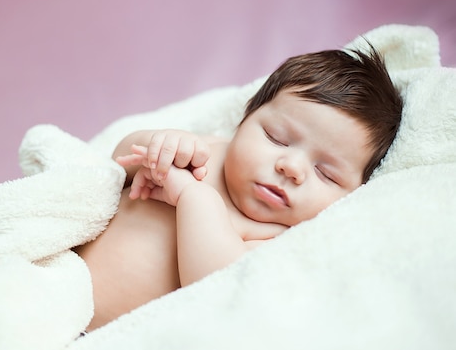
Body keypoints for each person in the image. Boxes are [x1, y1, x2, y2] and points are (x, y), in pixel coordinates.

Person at [73, 46, 403, 331]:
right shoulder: (206, 151)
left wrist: (194, 197)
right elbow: (116, 165)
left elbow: (215, 286)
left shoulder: (275, 236)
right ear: (244, 120)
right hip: (54, 281)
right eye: (277, 138)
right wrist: (157, 146)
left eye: (326, 174)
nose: (291, 168)